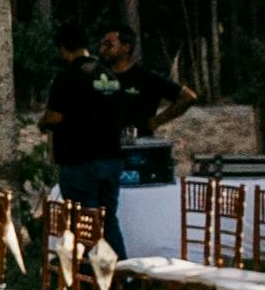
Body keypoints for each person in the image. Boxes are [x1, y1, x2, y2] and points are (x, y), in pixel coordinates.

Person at [37, 27, 187, 224]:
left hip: (83, 158)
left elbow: (54, 117)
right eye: (102, 44)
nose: (103, 49)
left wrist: (42, 123)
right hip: (112, 156)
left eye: (109, 44)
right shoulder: (108, 76)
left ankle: (92, 255)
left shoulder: (69, 76)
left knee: (85, 221)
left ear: (63, 48)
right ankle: (117, 256)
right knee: (107, 220)